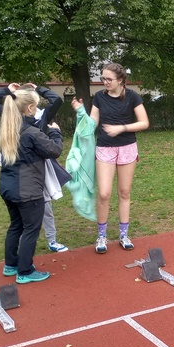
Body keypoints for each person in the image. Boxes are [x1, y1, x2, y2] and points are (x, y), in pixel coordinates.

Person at [71, 63, 149, 253]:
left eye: (108, 79)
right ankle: (101, 236)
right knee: (104, 193)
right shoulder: (99, 97)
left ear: (120, 80)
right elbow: (92, 124)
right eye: (102, 78)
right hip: (105, 148)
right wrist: (81, 112)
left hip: (127, 148)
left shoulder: (132, 97)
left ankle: (124, 235)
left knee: (124, 192)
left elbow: (144, 122)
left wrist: (121, 128)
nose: (104, 82)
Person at [0, 83, 69, 253]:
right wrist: (8, 90)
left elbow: (56, 100)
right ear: (27, 106)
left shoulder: (41, 117)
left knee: (45, 207)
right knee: (26, 217)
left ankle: (51, 240)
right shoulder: (10, 116)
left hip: (38, 165)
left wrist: (38, 89)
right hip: (21, 168)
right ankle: (24, 249)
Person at [0, 89, 63, 283]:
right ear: (30, 108)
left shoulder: (7, 131)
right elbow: (54, 150)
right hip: (28, 191)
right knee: (31, 230)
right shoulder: (32, 132)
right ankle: (25, 270)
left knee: (16, 226)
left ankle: (11, 264)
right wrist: (55, 132)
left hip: (8, 188)